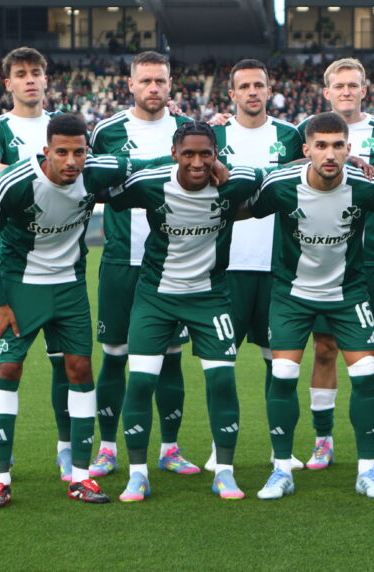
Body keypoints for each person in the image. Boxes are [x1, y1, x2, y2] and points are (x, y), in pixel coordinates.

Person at [0, 114, 170, 509]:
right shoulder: (14, 181)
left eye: (79, 152)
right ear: (46, 151)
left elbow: (152, 165)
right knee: (8, 369)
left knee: (80, 369)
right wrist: (0, 303)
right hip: (21, 285)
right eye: (62, 152)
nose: (71, 161)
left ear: (87, 151)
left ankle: (81, 476)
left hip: (69, 287)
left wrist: (207, 165)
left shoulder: (98, 169)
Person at [250, 112, 374, 500]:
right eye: (321, 146)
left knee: (365, 372)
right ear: (306, 150)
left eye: (337, 146)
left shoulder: (364, 186)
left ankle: (367, 470)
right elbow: (243, 206)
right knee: (283, 372)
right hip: (292, 294)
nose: (329, 154)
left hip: (348, 294)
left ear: (349, 148)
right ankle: (282, 469)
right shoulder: (281, 185)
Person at [107, 122, 260, 501]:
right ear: (174, 153)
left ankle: (224, 472)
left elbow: (290, 173)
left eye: (205, 154)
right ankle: (138, 474)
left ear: (216, 155)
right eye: (188, 153)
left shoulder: (237, 181)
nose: (197, 162)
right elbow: (102, 186)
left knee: (221, 380)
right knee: (141, 381)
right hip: (155, 296)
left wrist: (352, 160)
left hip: (210, 297)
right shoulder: (149, 183)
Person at [87, 51, 201, 479]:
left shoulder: (187, 130)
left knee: (170, 358)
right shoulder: (108, 131)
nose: (153, 88)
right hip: (122, 259)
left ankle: (170, 449)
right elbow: (91, 185)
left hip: (175, 263)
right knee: (115, 355)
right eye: (146, 81)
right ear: (130, 84)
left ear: (171, 84)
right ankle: (107, 448)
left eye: (161, 81)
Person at [296, 58, 374, 471]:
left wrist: (363, 175)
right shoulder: (307, 130)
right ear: (327, 91)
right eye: (339, 85)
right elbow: (287, 175)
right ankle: (322, 441)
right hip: (323, 259)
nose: (346, 91)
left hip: (373, 255)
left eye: (353, 85)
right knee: (325, 349)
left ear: (365, 89)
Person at [207, 59, 304, 471]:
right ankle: (220, 446)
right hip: (225, 268)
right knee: (220, 364)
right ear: (231, 94)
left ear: (269, 90)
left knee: (278, 363)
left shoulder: (290, 136)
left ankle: (281, 448)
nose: (252, 92)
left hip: (277, 266)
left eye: (258, 85)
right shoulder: (214, 135)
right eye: (244, 86)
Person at [0, 47, 66, 485]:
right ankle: (0, 453)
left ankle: (68, 449)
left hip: (60, 259)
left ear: (46, 79)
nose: (30, 79)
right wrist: (36, 174)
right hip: (8, 259)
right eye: (21, 74)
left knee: (66, 361)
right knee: (2, 359)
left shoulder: (63, 124)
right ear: (7, 83)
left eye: (36, 72)